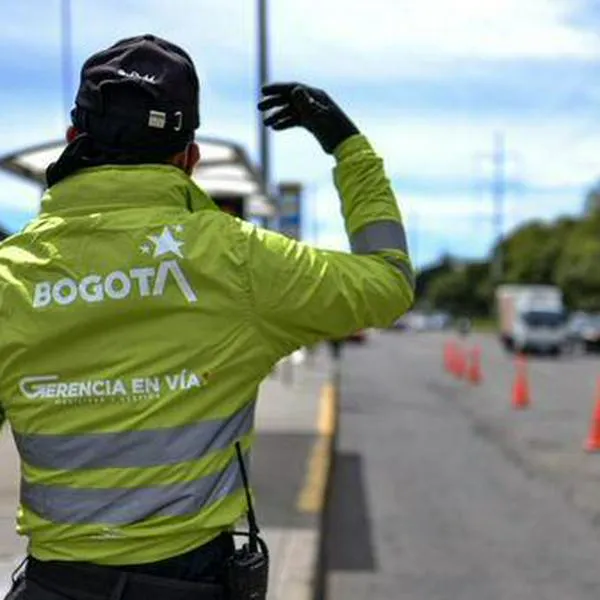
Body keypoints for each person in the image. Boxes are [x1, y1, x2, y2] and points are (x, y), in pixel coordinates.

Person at [0, 34, 414, 600]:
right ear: (188, 159)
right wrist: (348, 147)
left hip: (54, 585)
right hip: (190, 582)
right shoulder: (239, 261)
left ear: (75, 139)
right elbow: (389, 280)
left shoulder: (10, 275)